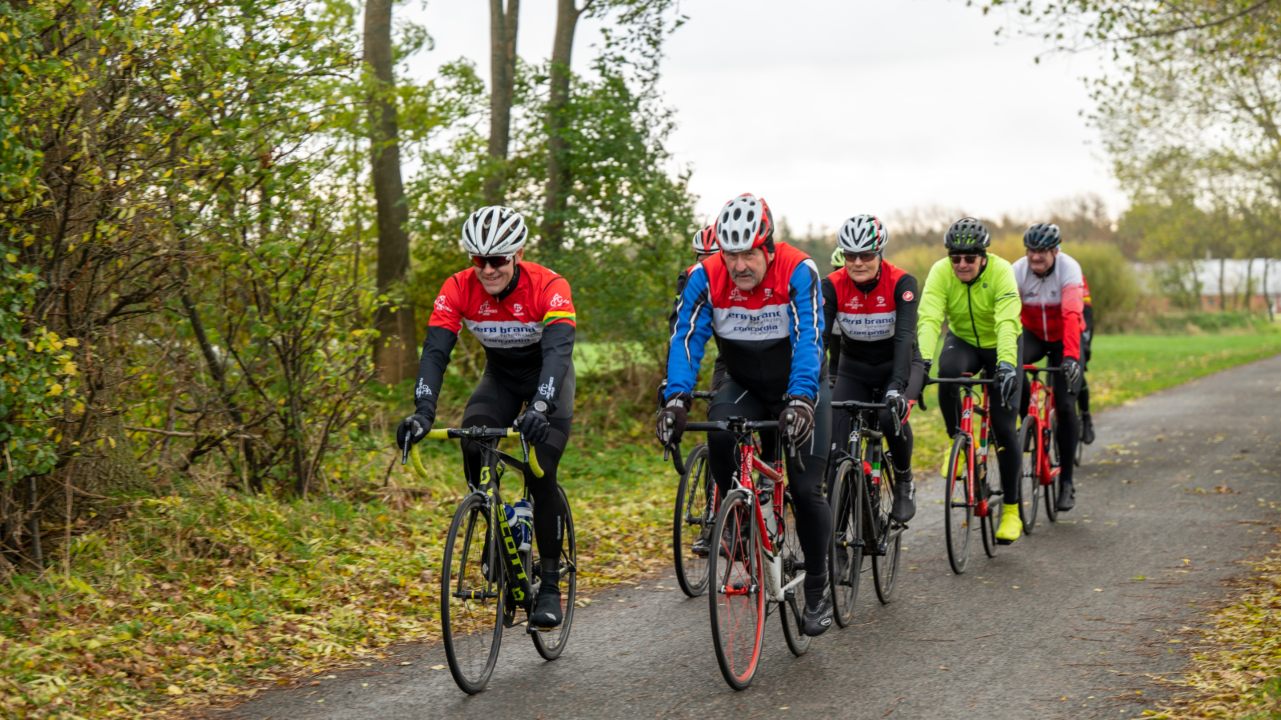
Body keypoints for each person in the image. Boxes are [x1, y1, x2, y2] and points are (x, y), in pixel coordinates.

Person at [657, 192, 834, 636]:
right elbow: (685, 339)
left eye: (749, 254)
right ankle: (737, 520)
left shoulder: (798, 269)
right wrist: (676, 399)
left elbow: (810, 339)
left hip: (801, 384)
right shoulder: (705, 276)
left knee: (808, 488)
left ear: (768, 248)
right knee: (718, 432)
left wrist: (800, 400)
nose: (739, 265)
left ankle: (818, 586)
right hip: (746, 383)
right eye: (731, 254)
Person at [396, 206, 575, 629]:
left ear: (517, 254)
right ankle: (495, 525)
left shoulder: (548, 286)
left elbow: (558, 353)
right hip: (500, 379)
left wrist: (541, 407)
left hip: (549, 382)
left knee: (540, 472)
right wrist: (423, 412)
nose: (488, 270)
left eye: (497, 260)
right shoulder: (458, 288)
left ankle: (549, 586)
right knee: (472, 440)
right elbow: (435, 353)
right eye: (479, 260)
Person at [917, 217, 1025, 544]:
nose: (961, 264)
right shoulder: (940, 272)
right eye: (955, 258)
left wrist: (1006, 365)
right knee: (947, 375)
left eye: (969, 258)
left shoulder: (1001, 271)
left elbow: (1008, 321)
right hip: (963, 340)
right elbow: (930, 317)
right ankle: (957, 441)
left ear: (983, 256)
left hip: (1000, 344)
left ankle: (1010, 510)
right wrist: (920, 363)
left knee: (1005, 427)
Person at [822, 215, 925, 523]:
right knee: (837, 448)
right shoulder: (831, 286)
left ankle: (904, 480)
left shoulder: (901, 282)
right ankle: (837, 538)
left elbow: (905, 338)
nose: (857, 262)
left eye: (866, 255)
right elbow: (821, 340)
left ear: (879, 253)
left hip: (899, 362)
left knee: (887, 414)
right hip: (855, 369)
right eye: (850, 255)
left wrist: (896, 386)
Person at [1013, 223, 1084, 511]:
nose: (1035, 257)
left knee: (1066, 407)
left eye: (1041, 251)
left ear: (1055, 250)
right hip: (1032, 334)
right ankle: (1027, 423)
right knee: (1012, 370)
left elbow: (1071, 314)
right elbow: (1009, 314)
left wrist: (1070, 357)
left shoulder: (1069, 269)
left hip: (1061, 339)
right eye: (1031, 251)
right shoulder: (1017, 271)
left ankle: (1066, 481)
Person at [1077, 272, 1096, 444]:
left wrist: (1085, 341)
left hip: (1078, 325)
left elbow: (1087, 311)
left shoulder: (1074, 273)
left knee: (1078, 370)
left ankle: (1085, 415)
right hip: (1047, 333)